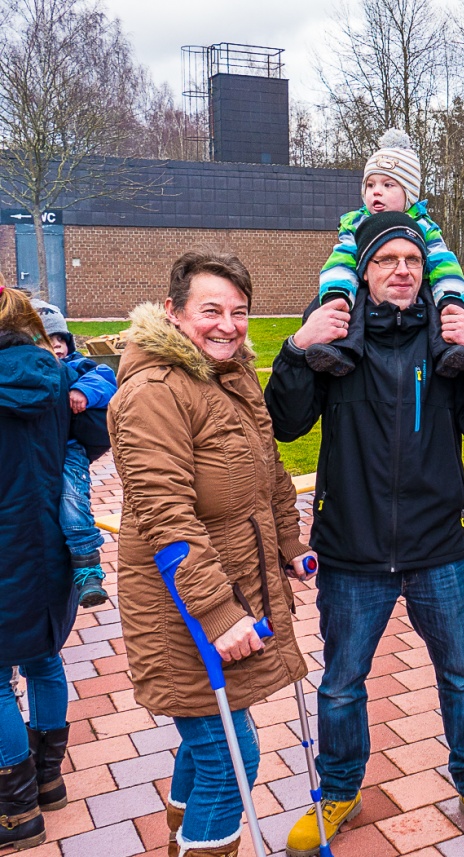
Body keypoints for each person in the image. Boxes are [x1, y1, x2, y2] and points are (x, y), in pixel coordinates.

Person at [265, 212, 464, 857]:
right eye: (386, 261)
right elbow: (286, 422)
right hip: (351, 550)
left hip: (438, 547)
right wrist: (297, 348)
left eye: (411, 259)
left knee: (463, 675)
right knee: (343, 681)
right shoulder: (337, 342)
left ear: (426, 273)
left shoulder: (448, 340)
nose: (401, 270)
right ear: (365, 273)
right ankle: (339, 790)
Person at [108, 251, 311, 857]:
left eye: (239, 312)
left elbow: (269, 473)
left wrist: (290, 544)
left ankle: (180, 836)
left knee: (207, 742)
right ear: (173, 313)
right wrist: (219, 614)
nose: (228, 324)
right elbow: (165, 514)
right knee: (231, 754)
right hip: (182, 607)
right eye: (211, 311)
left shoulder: (231, 374)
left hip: (232, 586)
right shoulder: (152, 393)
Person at [0, 281, 78, 852]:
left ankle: (16, 811)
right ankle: (48, 781)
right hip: (50, 543)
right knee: (45, 660)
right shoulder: (59, 375)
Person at [307, 128, 464, 379]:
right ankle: (338, 351)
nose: (377, 192)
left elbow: (444, 262)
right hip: (367, 289)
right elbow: (341, 259)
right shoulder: (355, 225)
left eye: (388, 185)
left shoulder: (424, 226)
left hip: (417, 291)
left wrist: (451, 298)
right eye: (370, 185)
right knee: (343, 308)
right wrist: (336, 291)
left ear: (409, 194)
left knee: (438, 309)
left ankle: (448, 352)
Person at [33, 299, 118, 607]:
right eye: (47, 341)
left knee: (72, 503)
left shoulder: (78, 366)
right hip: (39, 454)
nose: (56, 348)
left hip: (69, 450)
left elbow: (105, 378)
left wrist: (83, 391)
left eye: (61, 341)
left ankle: (88, 570)